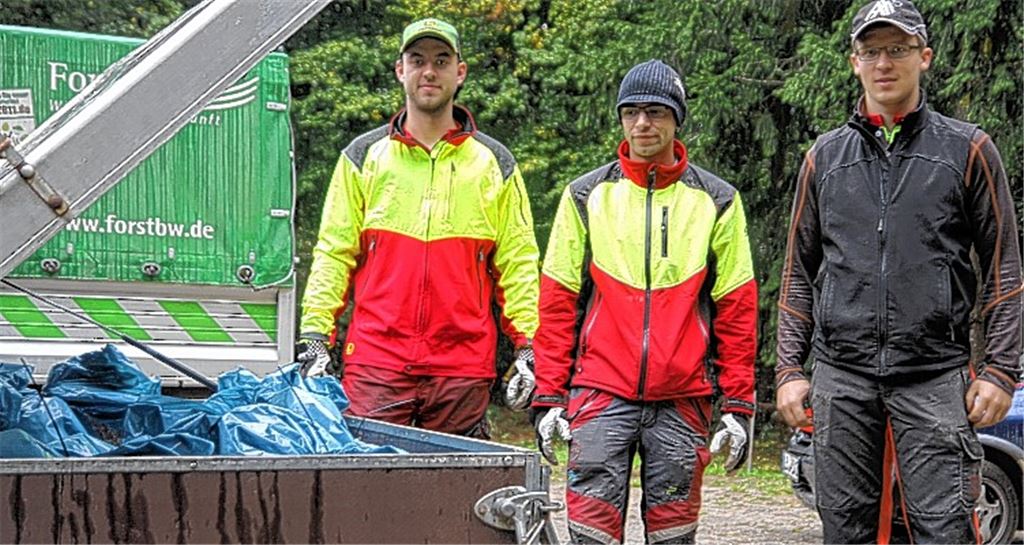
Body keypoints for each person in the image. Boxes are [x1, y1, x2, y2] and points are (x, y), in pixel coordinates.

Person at [774, 1, 1022, 543]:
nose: (883, 63)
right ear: (854, 62)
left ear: (924, 57)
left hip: (934, 374)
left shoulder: (969, 149)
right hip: (842, 375)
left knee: (946, 529)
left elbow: (1004, 266)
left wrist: (1001, 370)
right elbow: (798, 274)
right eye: (871, 52)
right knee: (845, 530)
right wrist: (790, 370)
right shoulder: (824, 158)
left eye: (898, 50)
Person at [531, 59, 758, 544]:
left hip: (682, 397)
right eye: (630, 111)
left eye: (655, 112)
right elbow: (556, 302)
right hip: (599, 392)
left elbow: (737, 310)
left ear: (677, 119)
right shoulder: (585, 195)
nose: (642, 124)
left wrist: (739, 404)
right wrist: (549, 396)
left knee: (674, 538)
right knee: (591, 536)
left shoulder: (718, 200)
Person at [296, 17, 540, 439]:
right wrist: (316, 334)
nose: (429, 71)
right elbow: (333, 252)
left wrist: (531, 345)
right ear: (400, 70)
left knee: (457, 499)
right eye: (418, 60)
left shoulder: (494, 163)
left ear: (460, 72)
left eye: (442, 60)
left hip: (461, 366)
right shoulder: (362, 157)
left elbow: (519, 263)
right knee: (368, 495)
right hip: (377, 361)